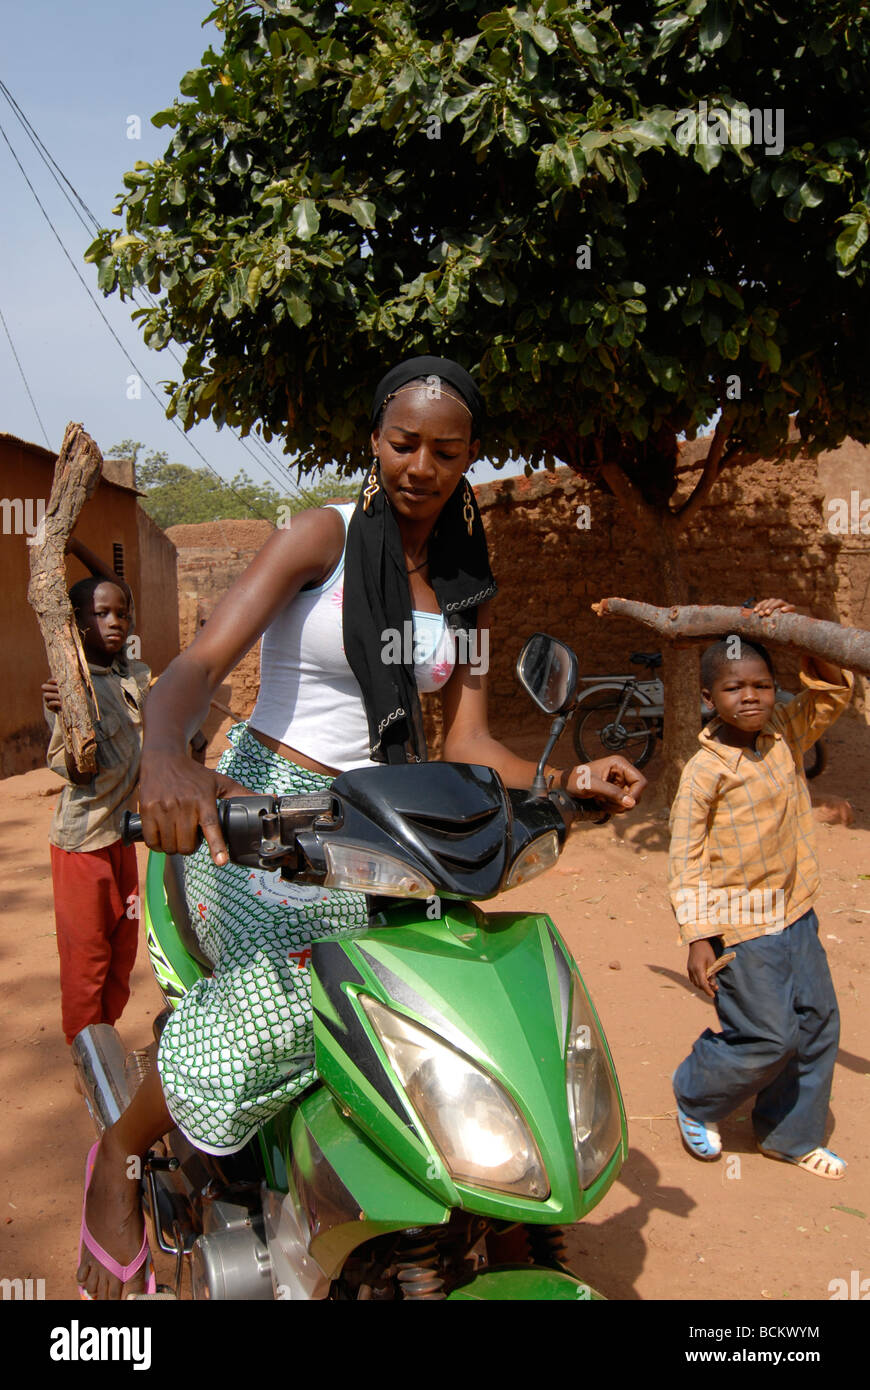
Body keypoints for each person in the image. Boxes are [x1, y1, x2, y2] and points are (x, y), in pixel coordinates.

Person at [76, 355, 647, 1297]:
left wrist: (565, 777)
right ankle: (122, 1154)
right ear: (375, 439)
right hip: (261, 817)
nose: (421, 466)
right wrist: (171, 754)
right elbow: (198, 665)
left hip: (388, 829)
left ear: (470, 458)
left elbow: (467, 739)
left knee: (450, 991)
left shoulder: (467, 584)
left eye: (447, 451)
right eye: (403, 443)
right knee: (299, 1000)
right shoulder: (320, 539)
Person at [668, 597, 854, 1177]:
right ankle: (695, 1096)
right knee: (768, 1035)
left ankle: (789, 1135)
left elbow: (830, 694)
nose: (749, 697)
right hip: (740, 922)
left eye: (762, 685)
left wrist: (800, 633)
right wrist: (699, 935)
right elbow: (685, 858)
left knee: (818, 1022)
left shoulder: (782, 733)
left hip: (795, 911)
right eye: (733, 688)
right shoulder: (704, 772)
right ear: (708, 699)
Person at [43, 546, 150, 1046]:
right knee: (87, 960)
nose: (115, 622)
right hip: (83, 845)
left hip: (122, 839)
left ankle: (104, 1042)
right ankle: (88, 1062)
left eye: (121, 614)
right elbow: (72, 770)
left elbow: (119, 593)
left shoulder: (131, 674)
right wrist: (67, 715)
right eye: (100, 614)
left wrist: (78, 549)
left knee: (122, 951)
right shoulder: (70, 690)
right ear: (77, 625)